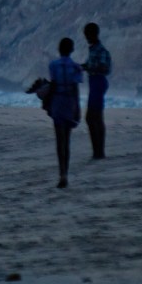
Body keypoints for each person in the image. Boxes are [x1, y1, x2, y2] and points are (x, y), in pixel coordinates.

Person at [43, 38, 84, 188]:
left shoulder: (53, 65)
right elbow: (75, 90)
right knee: (67, 141)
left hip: (58, 102)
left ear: (59, 50)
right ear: (72, 50)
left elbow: (53, 86)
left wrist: (47, 103)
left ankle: (62, 174)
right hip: (69, 103)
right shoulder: (76, 68)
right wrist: (78, 110)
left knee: (59, 140)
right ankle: (66, 172)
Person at [81, 22, 112, 159]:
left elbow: (104, 69)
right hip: (94, 83)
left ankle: (99, 152)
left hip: (98, 82)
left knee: (93, 117)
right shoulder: (93, 49)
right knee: (96, 117)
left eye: (88, 35)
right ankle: (98, 151)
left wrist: (88, 68)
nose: (87, 38)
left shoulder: (101, 50)